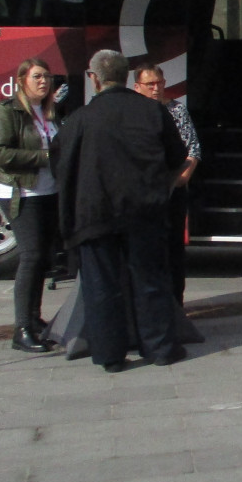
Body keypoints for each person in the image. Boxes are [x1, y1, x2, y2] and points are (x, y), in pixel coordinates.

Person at [52, 50, 188, 373]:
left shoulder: (80, 119)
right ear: (128, 77)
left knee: (101, 286)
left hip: (95, 215)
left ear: (94, 78)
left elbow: (59, 162)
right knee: (151, 280)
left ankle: (111, 355)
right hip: (145, 211)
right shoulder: (153, 112)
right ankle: (160, 348)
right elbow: (177, 155)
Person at [0, 58, 61, 353]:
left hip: (48, 192)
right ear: (22, 80)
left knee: (44, 257)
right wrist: (45, 159)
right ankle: (21, 329)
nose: (44, 82)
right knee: (31, 256)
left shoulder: (50, 111)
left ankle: (34, 317)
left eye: (47, 77)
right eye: (38, 77)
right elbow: (1, 153)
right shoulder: (6, 111)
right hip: (21, 193)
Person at [134, 64, 201, 307]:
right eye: (150, 84)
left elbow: (193, 147)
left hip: (173, 191)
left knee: (174, 249)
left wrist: (184, 175)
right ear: (137, 87)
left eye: (159, 83)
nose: (156, 88)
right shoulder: (133, 113)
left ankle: (176, 304)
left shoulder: (176, 110)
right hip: (143, 193)